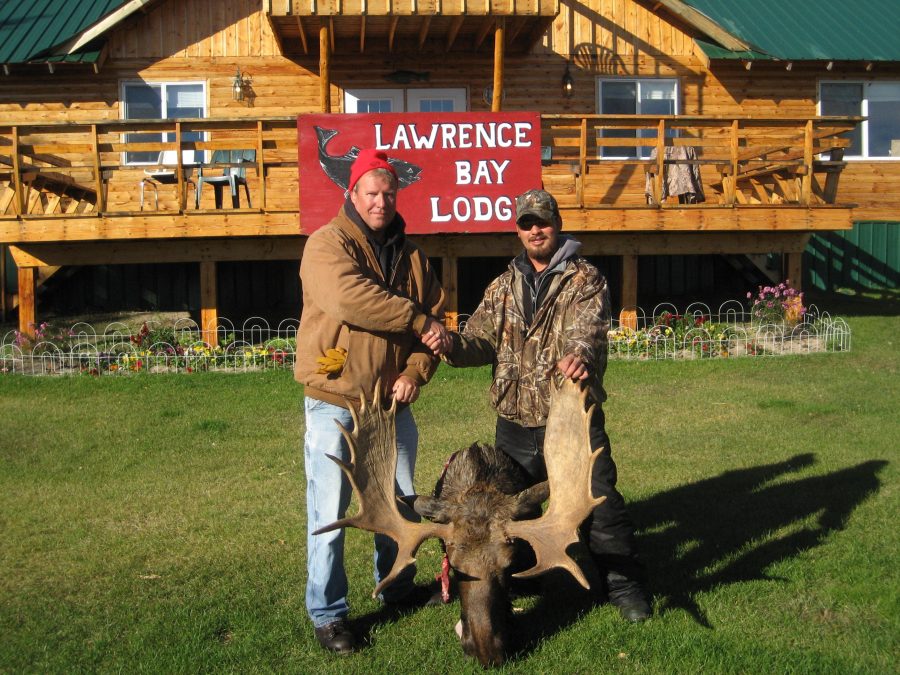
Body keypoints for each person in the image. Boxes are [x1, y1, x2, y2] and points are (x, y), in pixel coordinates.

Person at [422, 188, 652, 622]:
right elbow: (480, 341)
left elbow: (587, 332)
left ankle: (624, 585)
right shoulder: (502, 286)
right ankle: (522, 577)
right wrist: (451, 344)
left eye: (542, 222)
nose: (535, 230)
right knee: (509, 516)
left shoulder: (585, 279)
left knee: (598, 504)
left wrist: (579, 356)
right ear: (518, 230)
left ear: (557, 224)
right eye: (527, 223)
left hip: (569, 422)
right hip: (513, 423)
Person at [295, 149, 449, 654]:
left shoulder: (414, 257)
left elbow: (436, 318)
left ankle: (398, 587)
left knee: (400, 505)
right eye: (371, 193)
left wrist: (415, 372)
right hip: (335, 400)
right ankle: (328, 613)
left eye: (388, 193)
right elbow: (350, 298)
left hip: (392, 406)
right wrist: (417, 319)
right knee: (330, 514)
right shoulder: (326, 243)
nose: (380, 202)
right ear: (352, 193)